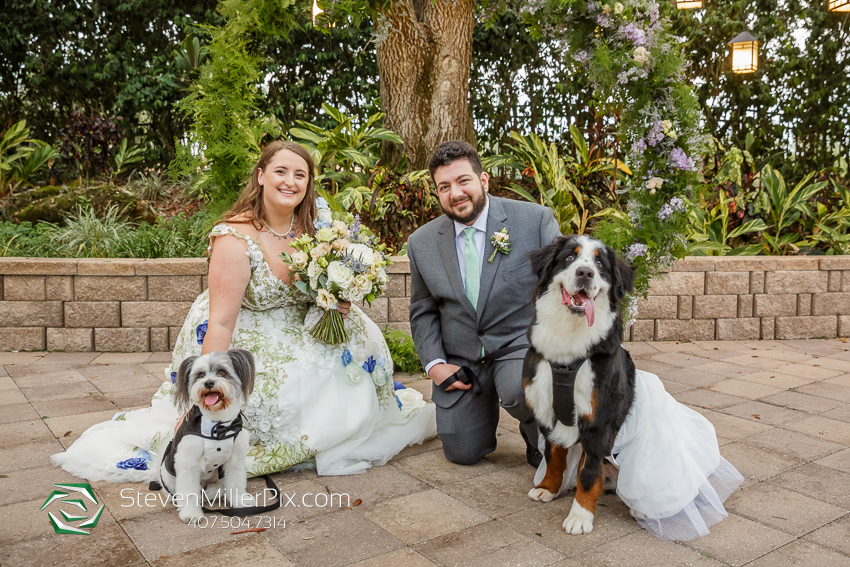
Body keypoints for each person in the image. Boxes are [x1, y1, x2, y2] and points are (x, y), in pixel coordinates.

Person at [51, 141, 436, 482]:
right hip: (245, 328)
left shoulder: (316, 231)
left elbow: (317, 286)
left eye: (300, 175)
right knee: (270, 393)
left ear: (308, 184)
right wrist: (204, 390)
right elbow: (220, 321)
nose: (290, 181)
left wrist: (338, 295)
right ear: (261, 176)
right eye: (281, 171)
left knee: (350, 370)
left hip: (304, 325)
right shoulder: (235, 238)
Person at [407, 141, 560, 467]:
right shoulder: (421, 243)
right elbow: (423, 310)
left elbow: (561, 286)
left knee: (519, 390)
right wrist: (434, 365)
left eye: (463, 181)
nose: (455, 193)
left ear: (484, 181)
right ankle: (477, 416)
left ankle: (538, 435)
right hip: (462, 360)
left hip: (517, 346)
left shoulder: (534, 221)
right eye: (444, 187)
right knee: (462, 453)